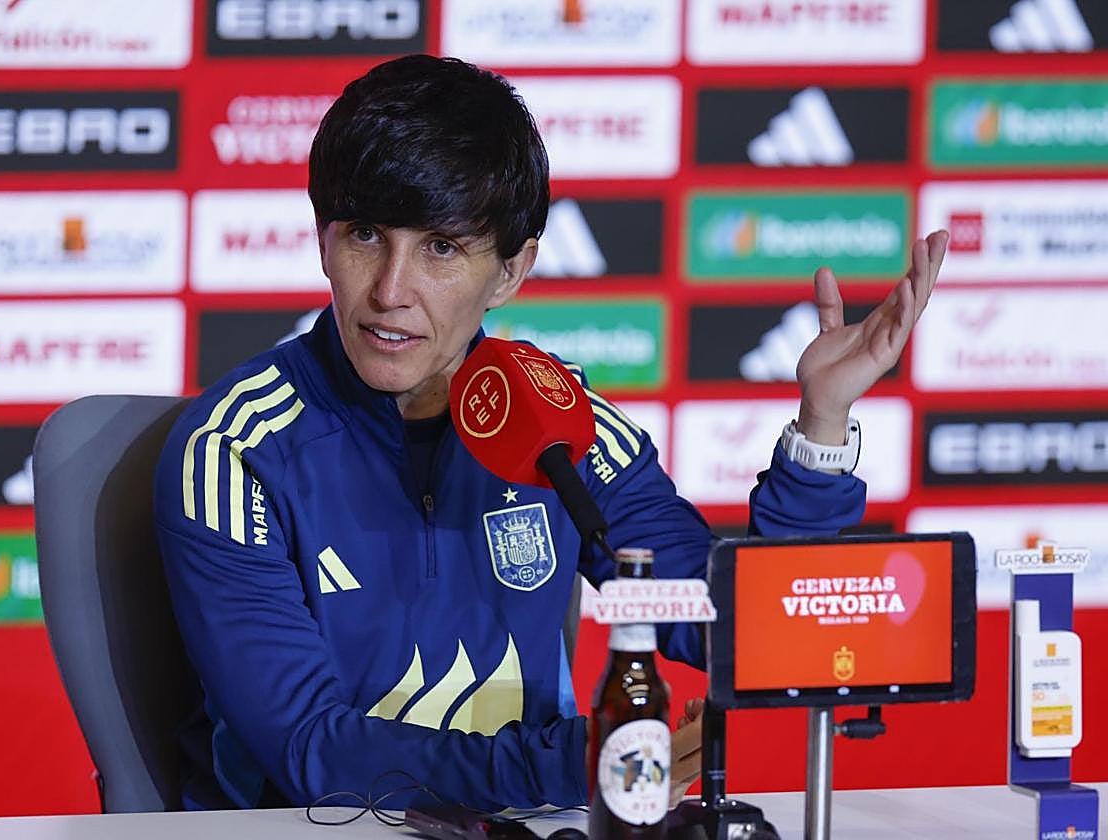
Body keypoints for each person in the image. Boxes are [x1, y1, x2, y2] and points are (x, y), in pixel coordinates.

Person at [153, 54, 948, 812]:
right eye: (365, 235)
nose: (390, 291)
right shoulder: (232, 453)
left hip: (523, 819)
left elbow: (743, 634)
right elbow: (308, 753)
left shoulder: (560, 419)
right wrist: (572, 763)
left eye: (441, 248)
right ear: (324, 239)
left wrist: (822, 420)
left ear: (511, 270)